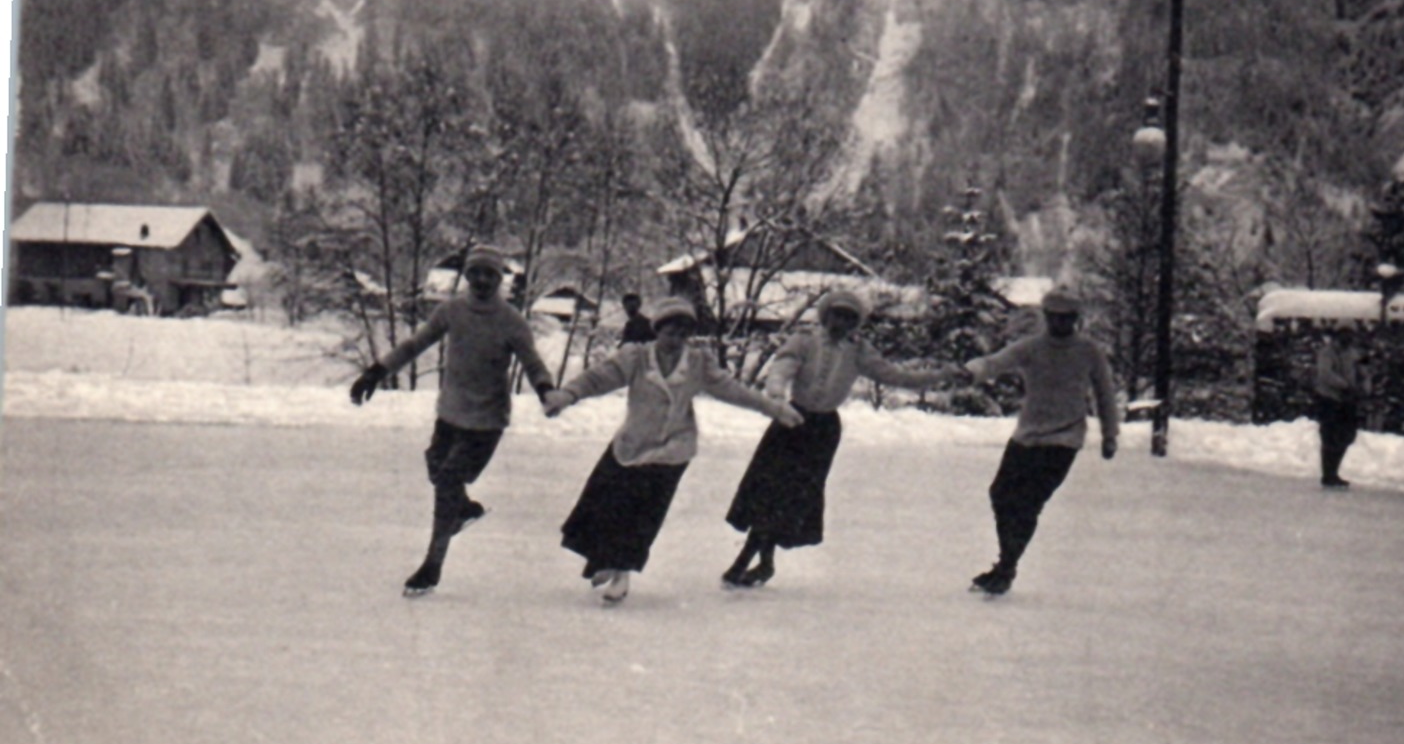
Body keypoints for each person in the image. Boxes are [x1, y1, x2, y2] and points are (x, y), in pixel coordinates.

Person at [543, 296, 803, 605]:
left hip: (672, 449)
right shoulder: (636, 357)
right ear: (658, 330)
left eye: (683, 333)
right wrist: (568, 395)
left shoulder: (697, 363)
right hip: (631, 444)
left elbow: (732, 390)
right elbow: (599, 377)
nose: (676, 339)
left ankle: (622, 571)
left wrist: (771, 408)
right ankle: (605, 560)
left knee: (644, 514)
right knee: (604, 503)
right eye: (670, 332)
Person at [721, 289, 964, 588]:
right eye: (837, 315)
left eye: (850, 318)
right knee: (769, 491)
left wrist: (942, 376)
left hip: (822, 430)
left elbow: (896, 376)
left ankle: (751, 561)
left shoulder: (858, 351)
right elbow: (782, 367)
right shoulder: (805, 340)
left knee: (792, 497)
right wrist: (776, 397)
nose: (842, 323)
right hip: (790, 421)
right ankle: (756, 561)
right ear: (826, 315)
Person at [350, 245, 555, 598]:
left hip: (487, 420)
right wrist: (376, 372)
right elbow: (415, 344)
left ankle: (432, 565)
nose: (481, 280)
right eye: (475, 272)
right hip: (450, 414)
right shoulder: (452, 311)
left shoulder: (511, 321)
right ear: (466, 276)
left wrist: (546, 390)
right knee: (436, 468)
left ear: (499, 279)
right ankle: (463, 509)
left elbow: (532, 362)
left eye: (489, 274)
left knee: (447, 479)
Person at [962, 286, 1120, 596]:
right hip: (1028, 435)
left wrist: (1110, 435)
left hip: (1064, 439)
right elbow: (995, 362)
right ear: (1045, 317)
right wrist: (970, 371)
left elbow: (1105, 393)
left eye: (1067, 318)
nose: (1060, 324)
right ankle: (1005, 563)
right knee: (1000, 495)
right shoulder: (1032, 348)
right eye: (1054, 317)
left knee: (1029, 503)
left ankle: (1006, 567)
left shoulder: (1088, 351)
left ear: (1075, 319)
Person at [1312, 323, 1367, 489]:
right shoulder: (1327, 353)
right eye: (1345, 335)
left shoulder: (1352, 353)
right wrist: (1345, 386)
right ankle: (1328, 473)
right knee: (1330, 436)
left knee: (1347, 435)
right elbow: (1325, 374)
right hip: (1329, 399)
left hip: (1347, 401)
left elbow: (1360, 372)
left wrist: (1362, 385)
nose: (1349, 339)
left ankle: (1333, 471)